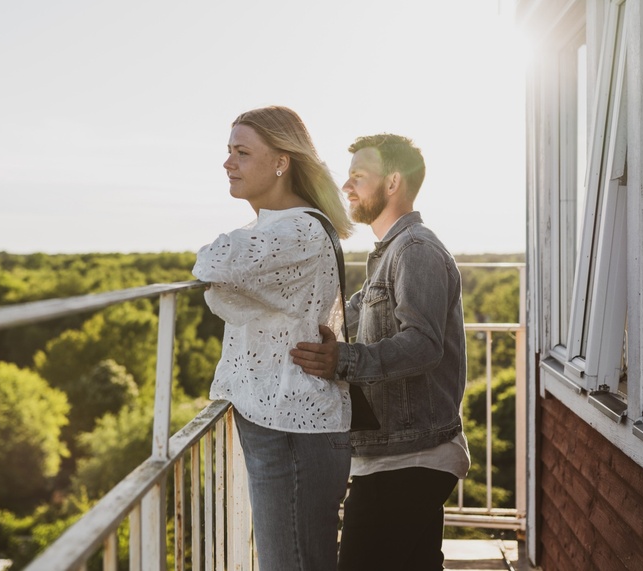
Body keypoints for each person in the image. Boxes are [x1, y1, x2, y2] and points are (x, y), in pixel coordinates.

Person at [290, 133, 470, 571]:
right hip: (399, 455)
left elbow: (424, 345)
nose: (346, 187)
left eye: (357, 177)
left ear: (392, 183)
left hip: (411, 458)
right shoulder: (389, 255)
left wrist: (344, 361)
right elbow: (347, 323)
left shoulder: (416, 250)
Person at [191, 105, 355, 571]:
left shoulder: (299, 229)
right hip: (280, 423)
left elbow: (213, 262)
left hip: (292, 428)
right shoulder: (273, 228)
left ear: (282, 161)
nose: (228, 163)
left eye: (242, 152)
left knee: (293, 564)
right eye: (228, 151)